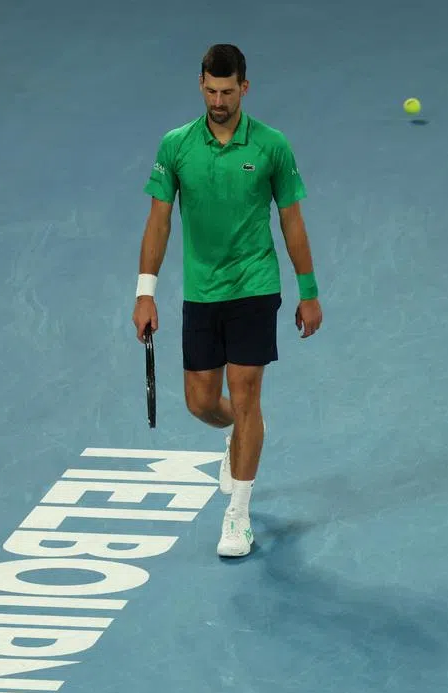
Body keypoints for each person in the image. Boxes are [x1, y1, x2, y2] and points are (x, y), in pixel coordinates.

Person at [131, 43, 323, 558]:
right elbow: (159, 220)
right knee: (201, 402)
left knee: (246, 393)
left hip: (255, 287)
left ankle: (237, 513)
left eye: (228, 91)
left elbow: (291, 221)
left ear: (245, 88)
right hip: (202, 293)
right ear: (201, 85)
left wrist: (309, 292)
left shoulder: (271, 147)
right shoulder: (176, 147)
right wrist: (145, 292)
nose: (219, 101)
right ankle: (242, 433)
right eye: (211, 91)